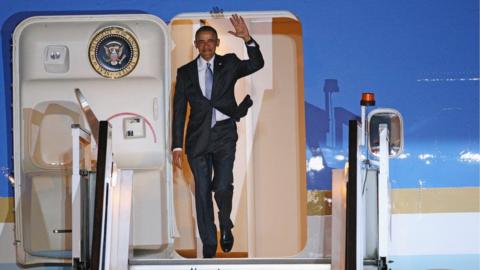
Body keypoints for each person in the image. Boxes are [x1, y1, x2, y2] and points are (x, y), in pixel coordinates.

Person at [171, 14, 264, 258]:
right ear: (196, 45)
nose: (206, 45)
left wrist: (247, 39)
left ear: (217, 43)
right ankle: (209, 244)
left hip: (224, 135)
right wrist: (176, 147)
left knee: (222, 186)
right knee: (202, 192)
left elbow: (256, 64)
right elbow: (179, 111)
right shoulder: (185, 72)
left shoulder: (230, 64)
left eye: (211, 40)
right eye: (201, 41)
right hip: (197, 140)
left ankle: (225, 223)